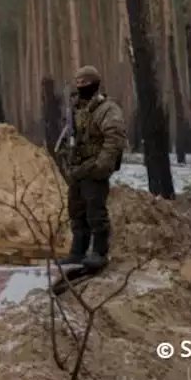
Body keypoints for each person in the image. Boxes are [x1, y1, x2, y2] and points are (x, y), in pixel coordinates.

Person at [58, 66, 126, 270]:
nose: (80, 88)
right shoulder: (76, 108)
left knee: (95, 212)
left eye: (84, 84)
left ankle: (99, 253)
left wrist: (102, 165)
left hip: (94, 168)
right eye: (78, 84)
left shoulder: (107, 109)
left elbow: (114, 138)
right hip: (77, 169)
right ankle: (78, 252)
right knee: (76, 212)